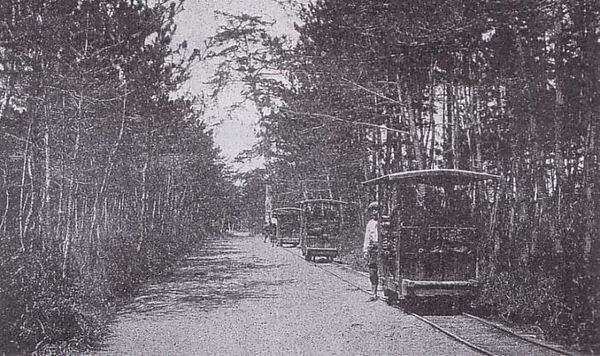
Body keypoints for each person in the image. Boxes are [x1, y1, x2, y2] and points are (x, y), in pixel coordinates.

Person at [363, 201, 379, 302]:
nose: (374, 212)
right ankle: (374, 293)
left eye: (376, 210)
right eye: (372, 210)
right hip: (374, 249)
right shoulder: (370, 224)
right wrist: (365, 251)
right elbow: (367, 238)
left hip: (384, 248)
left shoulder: (386, 221)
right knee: (372, 271)